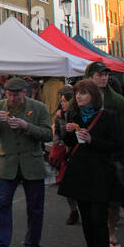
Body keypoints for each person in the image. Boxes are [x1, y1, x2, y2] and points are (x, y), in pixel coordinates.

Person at [0, 77, 53, 247]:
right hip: (8, 164)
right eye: (10, 95)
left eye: (16, 95)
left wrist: (26, 126)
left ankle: (32, 246)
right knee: (3, 205)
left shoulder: (38, 108)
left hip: (32, 164)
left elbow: (47, 134)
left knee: (35, 208)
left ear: (24, 93)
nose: (12, 99)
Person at [57, 79, 118, 247]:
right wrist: (70, 131)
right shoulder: (73, 115)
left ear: (93, 94)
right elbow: (67, 142)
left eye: (83, 93)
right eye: (77, 93)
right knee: (86, 220)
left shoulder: (107, 116)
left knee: (98, 219)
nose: (79, 97)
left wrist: (92, 140)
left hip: (99, 174)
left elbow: (114, 145)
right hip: (80, 173)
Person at [84, 62, 124, 247]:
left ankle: (110, 230)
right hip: (90, 157)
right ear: (89, 76)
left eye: (105, 74)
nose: (103, 78)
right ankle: (94, 239)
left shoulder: (118, 101)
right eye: (99, 74)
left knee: (113, 200)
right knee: (90, 201)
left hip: (113, 156)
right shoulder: (81, 98)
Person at [52, 87, 81, 225]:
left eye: (65, 101)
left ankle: (80, 209)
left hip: (77, 152)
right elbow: (58, 133)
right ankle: (73, 210)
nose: (62, 104)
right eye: (61, 101)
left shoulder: (77, 114)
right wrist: (57, 143)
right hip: (65, 153)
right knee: (67, 184)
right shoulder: (59, 117)